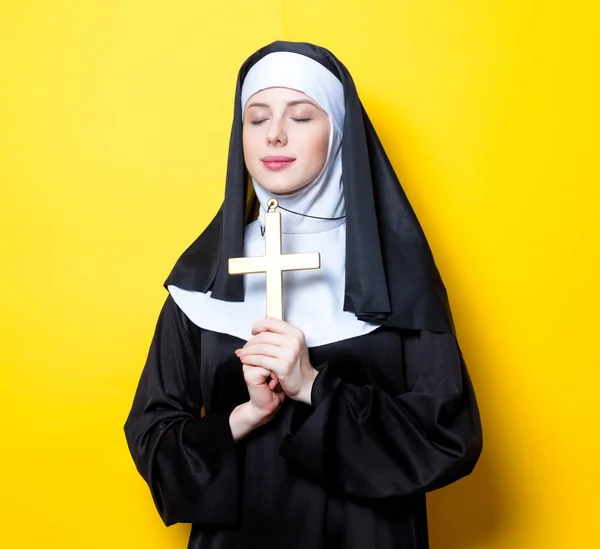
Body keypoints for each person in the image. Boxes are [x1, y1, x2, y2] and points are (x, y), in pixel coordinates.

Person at [123, 40, 483, 549]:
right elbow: (153, 436)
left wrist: (313, 386)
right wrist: (245, 416)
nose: (274, 134)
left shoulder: (397, 276)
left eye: (301, 116)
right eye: (256, 118)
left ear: (337, 132)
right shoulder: (202, 281)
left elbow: (448, 437)